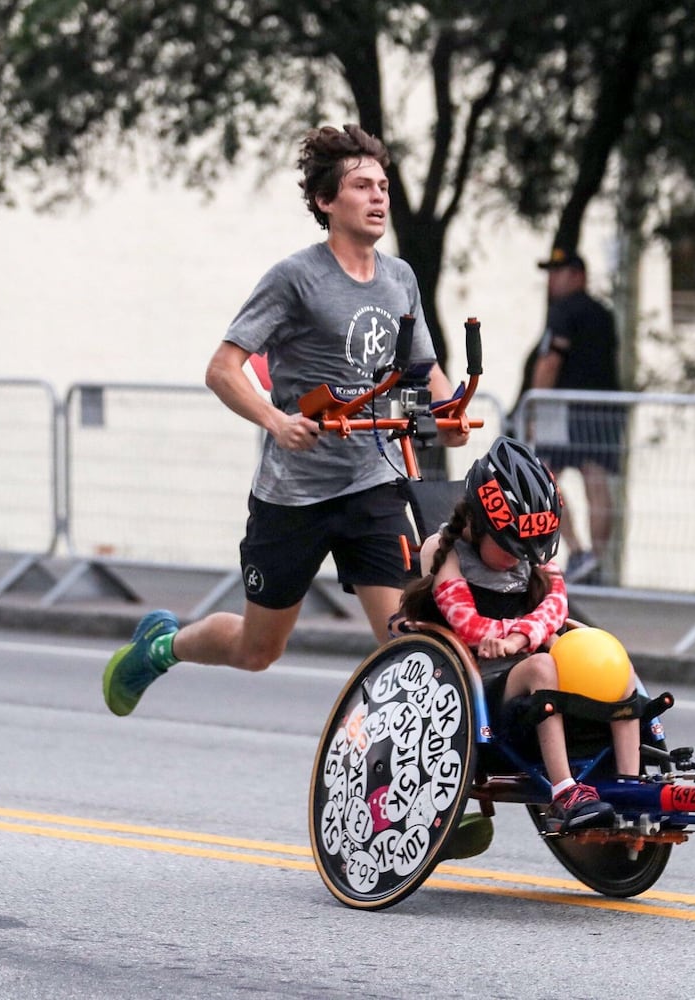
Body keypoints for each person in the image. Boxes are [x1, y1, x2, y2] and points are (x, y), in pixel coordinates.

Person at [103, 123, 468, 716]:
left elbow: (425, 368)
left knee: (410, 649)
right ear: (326, 202)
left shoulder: (399, 278)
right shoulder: (296, 278)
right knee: (257, 649)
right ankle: (162, 646)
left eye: (383, 185)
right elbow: (223, 369)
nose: (379, 197)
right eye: (361, 186)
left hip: (370, 484)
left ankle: (438, 802)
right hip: (294, 495)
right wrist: (276, 421)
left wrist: (449, 412)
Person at [399, 437, 642, 834]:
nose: (520, 557)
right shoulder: (444, 551)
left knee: (612, 658)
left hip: (524, 663)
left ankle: (630, 787)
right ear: (478, 523)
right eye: (511, 547)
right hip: (476, 684)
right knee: (542, 666)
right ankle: (564, 793)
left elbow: (555, 607)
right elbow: (464, 621)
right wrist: (513, 643)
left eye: (530, 548)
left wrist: (521, 637)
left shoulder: (530, 555)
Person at [523, 246, 624, 585]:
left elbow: (550, 361)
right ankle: (596, 559)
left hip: (566, 409)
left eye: (559, 271)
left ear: (577, 275)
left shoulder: (564, 311)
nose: (552, 279)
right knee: (595, 481)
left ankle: (580, 553)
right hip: (603, 410)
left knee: (544, 479)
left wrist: (536, 403)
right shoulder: (604, 313)